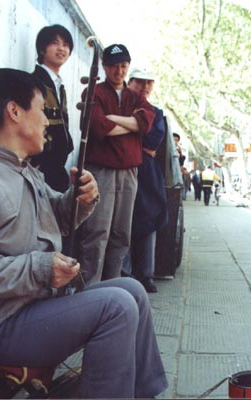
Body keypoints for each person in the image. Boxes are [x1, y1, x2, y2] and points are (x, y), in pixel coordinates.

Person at [0, 68, 167, 398]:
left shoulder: (24, 170)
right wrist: (39, 268)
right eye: (41, 110)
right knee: (117, 306)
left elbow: (57, 217)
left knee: (132, 290)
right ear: (14, 112)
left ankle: (144, 393)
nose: (46, 121)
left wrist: (80, 199)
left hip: (33, 307)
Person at [77, 44, 156, 285]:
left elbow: (147, 122)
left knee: (122, 233)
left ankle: (113, 285)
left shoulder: (135, 97)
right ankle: (90, 287)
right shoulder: (94, 92)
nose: (119, 71)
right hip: (102, 171)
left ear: (128, 67)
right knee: (97, 230)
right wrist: (132, 125)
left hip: (129, 172)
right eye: (113, 66)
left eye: (123, 66)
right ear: (104, 66)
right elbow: (98, 126)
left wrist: (116, 120)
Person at [123, 67, 168, 293]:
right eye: (140, 81)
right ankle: (123, 272)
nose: (145, 87)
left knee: (149, 219)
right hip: (121, 167)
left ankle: (146, 274)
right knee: (122, 220)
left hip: (146, 171)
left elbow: (153, 139)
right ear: (130, 82)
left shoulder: (156, 113)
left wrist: (126, 131)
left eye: (149, 82)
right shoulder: (119, 106)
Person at [29, 24, 74, 193]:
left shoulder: (59, 85)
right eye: (55, 43)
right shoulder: (35, 82)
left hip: (57, 168)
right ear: (42, 49)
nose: (61, 48)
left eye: (66, 45)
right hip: (40, 168)